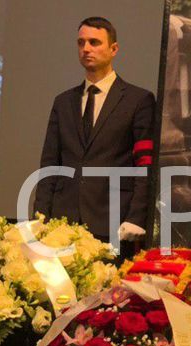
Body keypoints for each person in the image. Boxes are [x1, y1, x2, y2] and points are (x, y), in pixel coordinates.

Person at [34, 17, 155, 248]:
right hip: (62, 224)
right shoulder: (63, 102)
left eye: (94, 42)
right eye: (81, 43)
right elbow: (50, 164)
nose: (86, 48)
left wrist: (136, 217)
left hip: (115, 222)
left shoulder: (138, 100)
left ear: (114, 49)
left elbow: (145, 165)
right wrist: (40, 217)